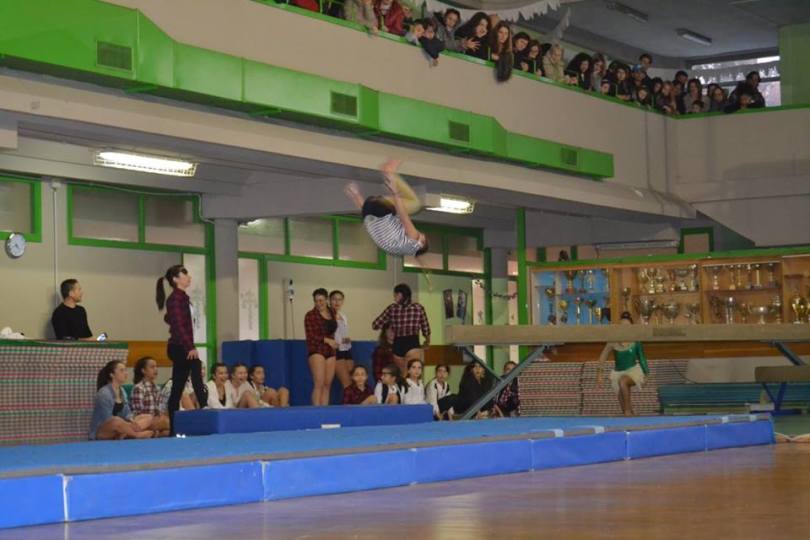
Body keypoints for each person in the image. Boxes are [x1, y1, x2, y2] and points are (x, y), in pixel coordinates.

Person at [156, 265, 208, 435]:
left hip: (180, 345)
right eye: (184, 274)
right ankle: (204, 407)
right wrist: (190, 347)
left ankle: (174, 429)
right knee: (196, 368)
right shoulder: (175, 299)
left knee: (178, 387)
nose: (189, 276)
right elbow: (178, 326)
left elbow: (174, 319)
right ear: (175, 279)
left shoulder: (182, 298)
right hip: (180, 346)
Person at [344, 158, 429, 259]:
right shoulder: (394, 249)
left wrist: (395, 192)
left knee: (415, 204)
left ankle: (390, 172)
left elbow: (404, 216)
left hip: (381, 209)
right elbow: (370, 219)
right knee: (398, 211)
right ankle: (389, 173)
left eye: (421, 233)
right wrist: (356, 195)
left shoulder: (415, 242)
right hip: (370, 209)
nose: (418, 231)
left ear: (422, 242)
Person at [597, 312, 649, 416]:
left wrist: (646, 374)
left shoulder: (636, 340)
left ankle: (628, 412)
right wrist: (599, 374)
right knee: (623, 400)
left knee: (623, 381)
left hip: (633, 371)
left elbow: (642, 358)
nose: (624, 328)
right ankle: (629, 414)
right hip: (618, 373)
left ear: (631, 327)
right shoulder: (613, 340)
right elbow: (602, 357)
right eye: (622, 325)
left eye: (627, 326)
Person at [372, 283, 430, 373]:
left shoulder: (392, 308)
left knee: (402, 374)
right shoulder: (418, 308)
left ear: (400, 295)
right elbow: (425, 328)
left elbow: (375, 325)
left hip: (398, 344)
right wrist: (427, 341)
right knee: (413, 374)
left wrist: (390, 322)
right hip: (412, 342)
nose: (394, 298)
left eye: (395, 295)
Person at [89, 360, 153, 440]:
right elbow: (107, 420)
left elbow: (127, 413)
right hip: (103, 431)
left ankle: (126, 433)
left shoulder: (122, 391)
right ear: (112, 374)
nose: (126, 373)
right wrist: (127, 424)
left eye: (125, 370)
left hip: (120, 427)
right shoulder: (104, 393)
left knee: (148, 417)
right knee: (115, 420)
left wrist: (132, 421)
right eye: (122, 370)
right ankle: (136, 434)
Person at [304, 288, 338, 406]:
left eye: (321, 301)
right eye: (316, 301)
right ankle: (316, 411)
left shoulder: (332, 312)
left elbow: (333, 330)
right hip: (317, 349)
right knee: (319, 383)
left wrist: (336, 342)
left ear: (326, 300)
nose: (318, 303)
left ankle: (325, 410)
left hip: (330, 350)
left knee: (327, 385)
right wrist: (327, 340)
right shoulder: (310, 315)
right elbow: (311, 336)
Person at [131, 356, 170, 436]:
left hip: (156, 421)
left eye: (156, 367)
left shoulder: (157, 388)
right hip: (144, 421)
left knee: (167, 430)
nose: (156, 369)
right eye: (152, 367)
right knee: (169, 423)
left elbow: (160, 409)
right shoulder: (139, 388)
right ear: (143, 370)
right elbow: (138, 413)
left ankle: (154, 433)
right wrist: (154, 419)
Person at [330, 290, 354, 392]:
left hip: (346, 349)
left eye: (339, 299)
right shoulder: (327, 315)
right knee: (346, 383)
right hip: (335, 350)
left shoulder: (343, 316)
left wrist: (347, 342)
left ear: (343, 301)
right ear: (329, 301)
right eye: (334, 299)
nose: (337, 302)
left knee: (352, 381)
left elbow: (344, 334)